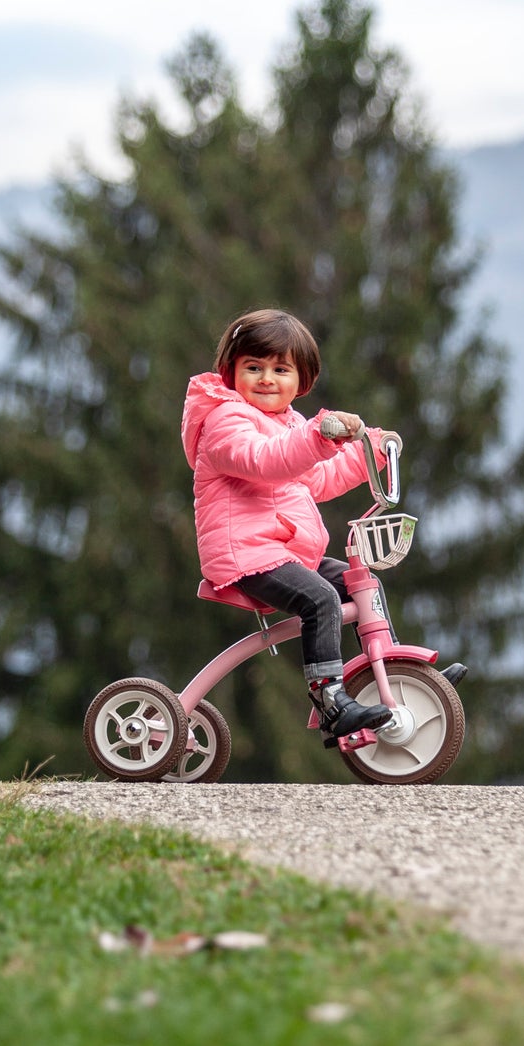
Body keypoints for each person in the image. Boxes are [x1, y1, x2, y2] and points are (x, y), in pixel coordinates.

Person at [181, 307, 398, 743]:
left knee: (360, 582)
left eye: (281, 370)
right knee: (320, 600)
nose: (266, 378)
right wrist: (319, 437)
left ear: (302, 382)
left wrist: (368, 452)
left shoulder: (291, 424)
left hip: (285, 552)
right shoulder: (224, 422)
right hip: (247, 555)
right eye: (253, 367)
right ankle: (332, 702)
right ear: (230, 372)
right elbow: (264, 461)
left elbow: (317, 477)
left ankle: (392, 673)